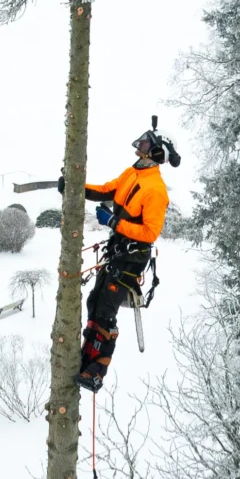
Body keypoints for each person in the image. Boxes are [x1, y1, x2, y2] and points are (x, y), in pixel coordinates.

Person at [76, 121, 178, 392]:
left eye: (146, 143)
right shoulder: (132, 173)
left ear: (156, 152)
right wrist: (76, 188)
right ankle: (87, 357)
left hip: (132, 258)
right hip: (117, 250)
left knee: (106, 310)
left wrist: (113, 223)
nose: (140, 145)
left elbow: (149, 232)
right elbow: (106, 190)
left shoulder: (156, 190)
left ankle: (97, 372)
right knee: (94, 300)